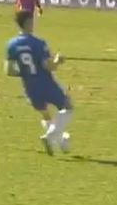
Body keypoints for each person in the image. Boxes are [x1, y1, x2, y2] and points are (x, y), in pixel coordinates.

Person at [5, 10, 73, 155]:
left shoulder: (11, 45)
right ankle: (50, 137)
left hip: (29, 87)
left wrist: (26, 73)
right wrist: (58, 61)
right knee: (67, 107)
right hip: (46, 83)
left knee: (46, 115)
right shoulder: (38, 43)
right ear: (29, 23)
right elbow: (48, 66)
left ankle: (61, 141)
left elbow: (9, 71)